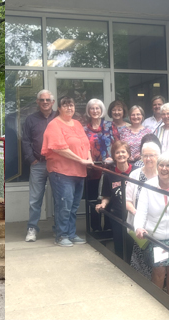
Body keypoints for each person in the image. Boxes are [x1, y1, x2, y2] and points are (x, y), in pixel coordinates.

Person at [134, 152, 169, 300]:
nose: (164, 168)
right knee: (159, 270)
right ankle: (157, 303)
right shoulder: (148, 186)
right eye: (161, 165)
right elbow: (141, 212)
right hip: (155, 237)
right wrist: (138, 227)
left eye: (168, 165)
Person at [42, 96, 93, 247]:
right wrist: (81, 160)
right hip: (61, 172)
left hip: (79, 171)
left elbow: (86, 145)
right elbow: (59, 148)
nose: (69, 108)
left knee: (74, 206)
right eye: (65, 106)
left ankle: (71, 233)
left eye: (71, 105)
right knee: (64, 205)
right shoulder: (54, 125)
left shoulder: (77, 124)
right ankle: (61, 235)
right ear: (59, 108)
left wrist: (88, 159)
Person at [23, 90, 58, 242]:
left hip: (57, 163)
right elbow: (25, 140)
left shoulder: (59, 117)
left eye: (48, 100)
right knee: (35, 199)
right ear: (37, 102)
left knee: (59, 197)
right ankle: (32, 228)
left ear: (53, 102)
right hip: (38, 164)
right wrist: (31, 158)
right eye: (42, 100)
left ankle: (59, 228)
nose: (45, 102)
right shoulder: (30, 119)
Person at [126, 141, 161, 278]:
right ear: (141, 157)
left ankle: (158, 287)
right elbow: (127, 201)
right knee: (140, 258)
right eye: (145, 155)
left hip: (159, 226)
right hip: (140, 226)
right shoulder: (135, 175)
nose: (148, 159)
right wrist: (138, 214)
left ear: (158, 156)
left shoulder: (163, 175)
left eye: (152, 155)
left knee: (158, 261)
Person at [84, 98, 119, 232]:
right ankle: (96, 228)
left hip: (109, 170)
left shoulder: (111, 126)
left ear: (102, 110)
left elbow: (117, 144)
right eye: (92, 108)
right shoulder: (84, 129)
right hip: (92, 170)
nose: (95, 111)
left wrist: (113, 157)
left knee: (109, 198)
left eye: (97, 108)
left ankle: (110, 228)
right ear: (88, 111)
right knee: (94, 200)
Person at [94, 140, 132, 238]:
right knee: (119, 246)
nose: (120, 155)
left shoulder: (136, 172)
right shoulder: (109, 174)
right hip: (117, 215)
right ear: (114, 156)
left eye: (123, 152)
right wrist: (103, 204)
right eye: (117, 152)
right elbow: (106, 195)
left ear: (128, 154)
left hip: (132, 214)